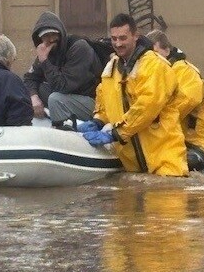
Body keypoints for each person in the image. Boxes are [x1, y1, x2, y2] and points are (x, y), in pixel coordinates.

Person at [79, 14, 187, 176]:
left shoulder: (154, 65)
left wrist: (116, 133)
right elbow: (105, 99)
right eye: (114, 38)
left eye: (123, 38)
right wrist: (98, 120)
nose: (117, 43)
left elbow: (147, 107)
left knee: (168, 197)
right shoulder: (112, 67)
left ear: (136, 36)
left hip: (164, 160)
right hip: (132, 166)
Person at [146, 30, 204, 172]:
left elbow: (177, 109)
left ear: (167, 50)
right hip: (169, 143)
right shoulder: (154, 75)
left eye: (155, 53)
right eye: (149, 55)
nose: (152, 59)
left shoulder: (186, 72)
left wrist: (142, 122)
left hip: (194, 146)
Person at [23, 11, 102, 125]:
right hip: (67, 98)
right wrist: (33, 97)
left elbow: (63, 86)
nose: (50, 39)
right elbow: (29, 78)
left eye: (53, 34)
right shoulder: (47, 50)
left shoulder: (79, 48)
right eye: (45, 36)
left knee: (55, 99)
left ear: (61, 33)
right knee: (32, 93)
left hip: (92, 103)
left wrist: (44, 61)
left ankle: (63, 133)